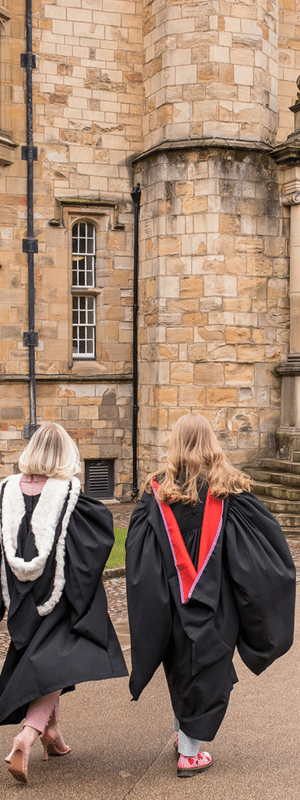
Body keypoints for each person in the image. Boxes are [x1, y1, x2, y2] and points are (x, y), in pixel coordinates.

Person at [126, 413, 296, 778]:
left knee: (178, 663)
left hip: (170, 599)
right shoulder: (230, 490)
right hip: (217, 601)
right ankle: (189, 753)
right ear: (211, 442)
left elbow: (137, 552)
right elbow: (260, 555)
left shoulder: (157, 491)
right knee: (207, 668)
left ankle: (183, 734)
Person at [0, 422, 127, 783]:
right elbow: (92, 547)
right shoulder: (70, 495)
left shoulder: (5, 491)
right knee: (57, 659)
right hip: (55, 600)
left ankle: (53, 736)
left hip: (18, 600)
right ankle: (29, 733)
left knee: (49, 665)